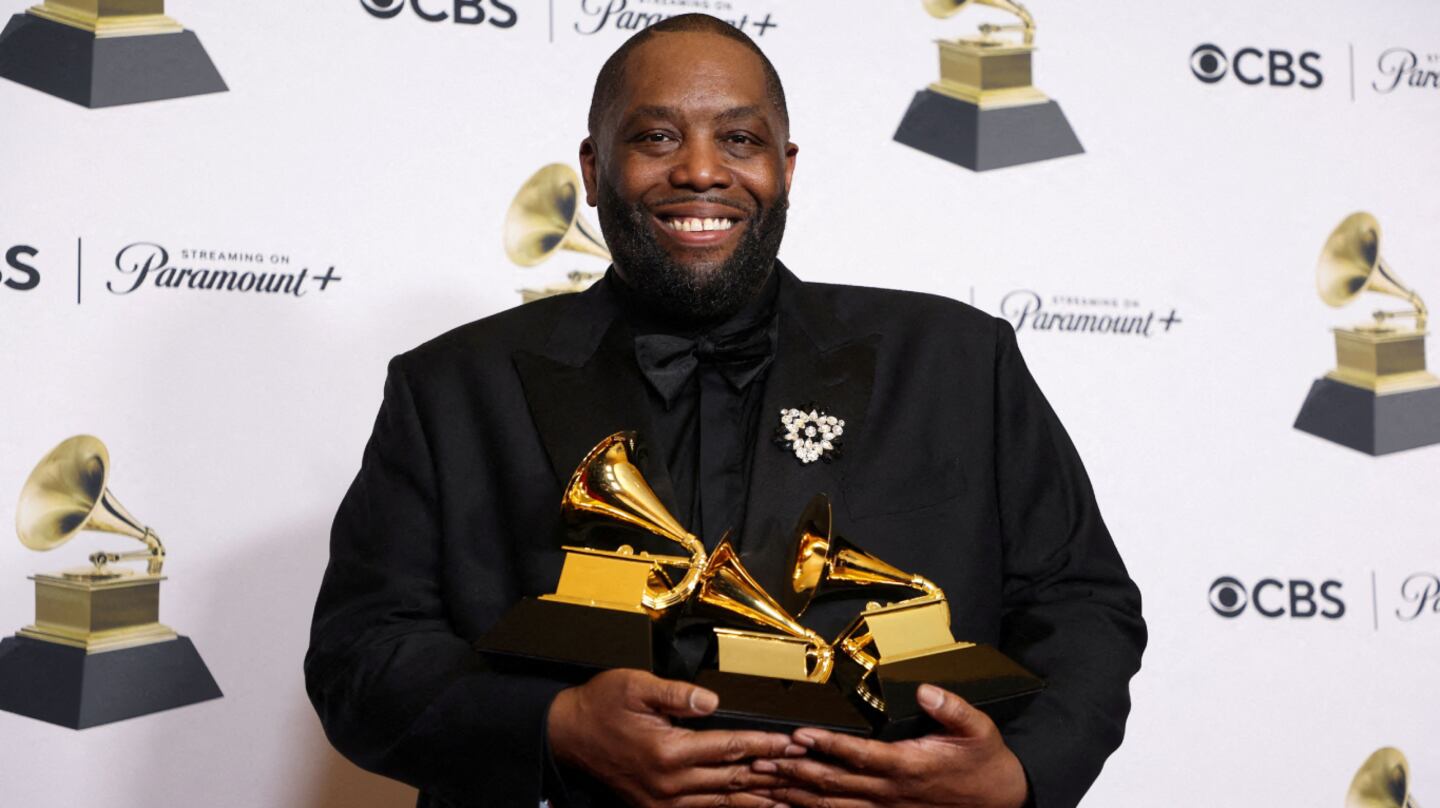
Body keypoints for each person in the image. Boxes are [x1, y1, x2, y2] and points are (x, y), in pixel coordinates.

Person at [305, 13, 1145, 808]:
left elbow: (1081, 604)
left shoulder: (959, 361)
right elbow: (361, 658)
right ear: (595, 171)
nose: (701, 170)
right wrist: (557, 729)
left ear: (786, 167)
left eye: (739, 139)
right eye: (656, 136)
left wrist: (1020, 776)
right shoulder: (452, 386)